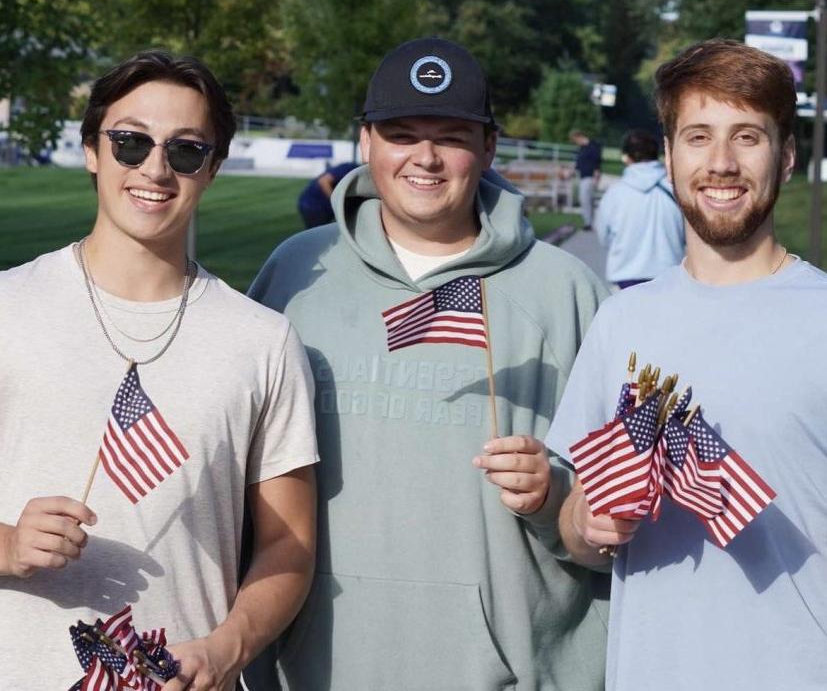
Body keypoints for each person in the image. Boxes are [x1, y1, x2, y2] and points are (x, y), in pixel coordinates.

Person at [249, 37, 611, 691]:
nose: (424, 157)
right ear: (365, 142)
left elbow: (623, 509)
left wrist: (551, 491)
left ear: (488, 147)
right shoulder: (297, 273)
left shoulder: (568, 291)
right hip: (321, 666)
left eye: (450, 136)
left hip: (508, 670)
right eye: (401, 133)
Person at [0, 51, 318, 691]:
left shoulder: (263, 340)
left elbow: (291, 546)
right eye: (130, 142)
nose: (153, 168)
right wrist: (7, 546)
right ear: (93, 149)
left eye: (184, 151)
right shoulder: (8, 308)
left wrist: (228, 648)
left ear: (212, 169)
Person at [547, 39, 827, 690]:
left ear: (784, 158)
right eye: (697, 137)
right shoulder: (623, 320)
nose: (721, 163)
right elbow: (577, 525)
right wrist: (588, 526)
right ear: (668, 157)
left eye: (746, 137)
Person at [595, 128, 685, 287]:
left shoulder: (615, 193)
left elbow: (604, 236)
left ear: (626, 158)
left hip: (625, 277)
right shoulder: (676, 189)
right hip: (669, 275)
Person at [297, 161, 359, 228]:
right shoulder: (350, 168)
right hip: (313, 203)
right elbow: (324, 181)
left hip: (318, 204)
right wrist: (336, 202)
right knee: (319, 233)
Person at [570, 129, 602, 230]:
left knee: (586, 200)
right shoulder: (581, 149)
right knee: (586, 200)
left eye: (575, 140)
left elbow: (597, 163)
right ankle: (590, 222)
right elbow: (577, 165)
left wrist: (596, 178)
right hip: (582, 176)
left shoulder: (593, 146)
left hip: (590, 177)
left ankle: (589, 223)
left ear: (579, 136)